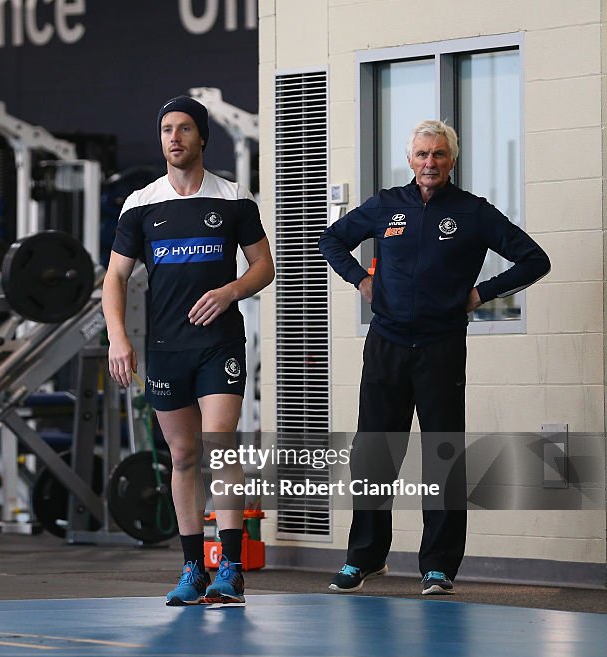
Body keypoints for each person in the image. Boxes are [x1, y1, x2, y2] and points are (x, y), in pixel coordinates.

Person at [318, 119, 550, 596]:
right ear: (410, 160)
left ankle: (439, 567)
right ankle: (364, 558)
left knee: (443, 454)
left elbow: (534, 259)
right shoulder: (386, 204)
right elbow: (331, 239)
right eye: (422, 155)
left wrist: (481, 293)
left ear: (452, 160)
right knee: (376, 452)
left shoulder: (472, 212)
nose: (430, 163)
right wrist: (362, 280)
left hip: (442, 345)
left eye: (439, 155)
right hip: (386, 343)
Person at [104, 96, 274, 606]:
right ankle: (192, 568)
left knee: (219, 446)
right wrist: (118, 336)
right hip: (166, 348)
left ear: (202, 137)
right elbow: (114, 276)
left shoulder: (233, 198)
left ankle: (232, 568)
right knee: (182, 455)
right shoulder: (141, 204)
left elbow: (263, 266)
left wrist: (230, 292)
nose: (173, 138)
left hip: (218, 345)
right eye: (165, 130)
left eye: (183, 129)